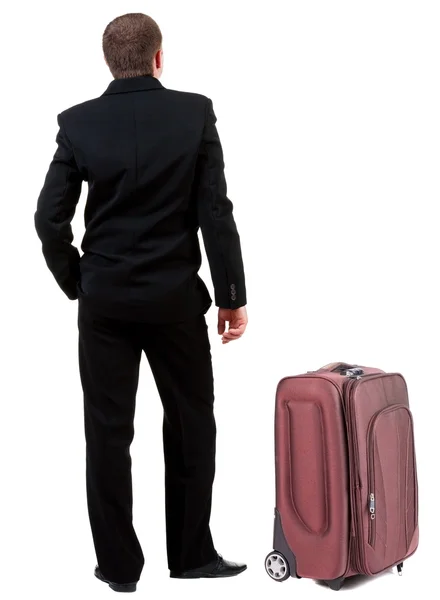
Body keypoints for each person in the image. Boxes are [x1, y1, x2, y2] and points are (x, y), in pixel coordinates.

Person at [34, 12, 248, 593]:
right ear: (160, 57)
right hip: (176, 302)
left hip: (104, 304)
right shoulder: (193, 112)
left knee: (106, 434)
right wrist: (232, 296)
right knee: (190, 425)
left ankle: (119, 569)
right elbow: (215, 212)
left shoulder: (78, 124)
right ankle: (192, 556)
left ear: (110, 61)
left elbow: (47, 218)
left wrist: (79, 280)